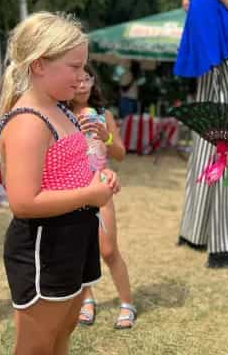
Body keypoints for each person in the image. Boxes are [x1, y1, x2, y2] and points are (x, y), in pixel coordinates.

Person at [0, 12, 119, 354]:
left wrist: (100, 176)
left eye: (84, 68)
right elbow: (23, 202)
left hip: (74, 238)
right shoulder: (29, 123)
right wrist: (91, 194)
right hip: (44, 246)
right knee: (36, 345)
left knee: (63, 332)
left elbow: (71, 167)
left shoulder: (62, 111)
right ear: (39, 65)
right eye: (74, 67)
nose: (83, 78)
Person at [174, 0, 228, 268]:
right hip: (211, 14)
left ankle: (195, 231)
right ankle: (223, 246)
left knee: (207, 141)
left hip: (201, 13)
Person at [70, 64, 137, 329]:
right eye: (77, 79)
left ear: (92, 82)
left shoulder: (102, 114)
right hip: (72, 188)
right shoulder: (59, 114)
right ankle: (87, 299)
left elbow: (120, 153)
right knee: (80, 250)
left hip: (100, 185)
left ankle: (127, 303)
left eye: (87, 78)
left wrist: (105, 136)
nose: (82, 84)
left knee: (108, 250)